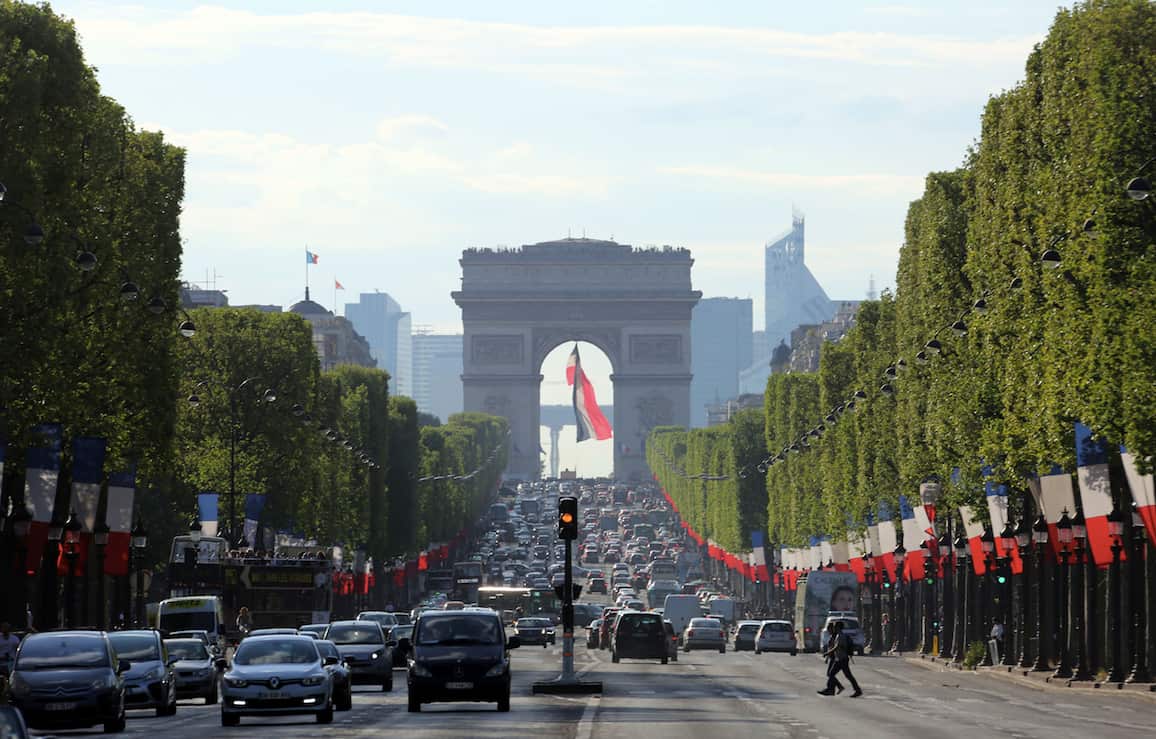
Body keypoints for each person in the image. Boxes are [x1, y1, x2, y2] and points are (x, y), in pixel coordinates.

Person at [819, 622, 862, 698]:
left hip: (842, 659)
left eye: (835, 627)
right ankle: (832, 689)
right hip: (839, 659)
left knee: (835, 674)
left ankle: (856, 690)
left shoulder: (841, 636)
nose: (834, 628)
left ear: (838, 627)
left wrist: (827, 653)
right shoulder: (838, 635)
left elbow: (837, 647)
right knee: (836, 674)